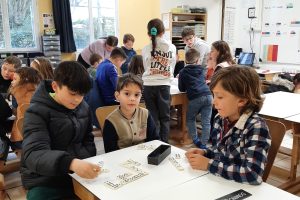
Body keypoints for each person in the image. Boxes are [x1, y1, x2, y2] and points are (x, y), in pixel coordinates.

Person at [21, 61, 100, 199]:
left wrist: (86, 159)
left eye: (82, 95)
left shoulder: (84, 107)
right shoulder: (36, 112)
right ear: (55, 86)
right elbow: (33, 153)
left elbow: (88, 138)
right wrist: (71, 163)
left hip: (77, 174)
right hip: (45, 179)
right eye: (72, 93)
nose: (77, 100)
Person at [185, 66, 271, 185]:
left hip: (240, 189)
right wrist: (205, 153)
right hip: (220, 183)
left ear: (242, 100)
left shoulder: (256, 127)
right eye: (214, 95)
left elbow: (253, 175)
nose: (214, 102)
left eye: (220, 97)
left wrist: (208, 164)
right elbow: (217, 151)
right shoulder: (220, 119)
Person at [102, 73, 159, 153]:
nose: (132, 98)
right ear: (117, 96)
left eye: (136, 95)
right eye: (127, 94)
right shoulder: (111, 121)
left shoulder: (146, 114)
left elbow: (155, 140)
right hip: (121, 161)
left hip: (144, 157)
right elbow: (110, 152)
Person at [142, 18, 176, 143]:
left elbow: (146, 67)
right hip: (164, 85)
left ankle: (155, 144)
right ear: (163, 31)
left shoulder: (146, 48)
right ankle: (164, 145)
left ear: (148, 33)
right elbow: (172, 66)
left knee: (153, 118)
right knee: (165, 118)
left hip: (149, 85)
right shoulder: (171, 47)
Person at [178, 49, 212, 149]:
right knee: (206, 121)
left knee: (190, 118)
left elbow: (181, 88)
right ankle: (204, 144)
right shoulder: (201, 69)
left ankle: (196, 140)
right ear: (197, 60)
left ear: (185, 59)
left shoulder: (183, 71)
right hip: (208, 95)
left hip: (195, 97)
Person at [8, 67, 41, 149]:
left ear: (24, 80)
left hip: (21, 136)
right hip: (39, 136)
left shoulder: (16, 91)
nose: (12, 82)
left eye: (15, 79)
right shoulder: (39, 90)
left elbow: (14, 111)